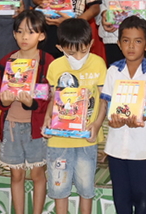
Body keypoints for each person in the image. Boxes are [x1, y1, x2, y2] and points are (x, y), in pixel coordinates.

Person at [101, 16, 146, 214]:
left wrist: (139, 116)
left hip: (143, 148)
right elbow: (107, 102)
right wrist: (112, 118)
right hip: (116, 147)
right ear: (119, 44)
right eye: (126, 40)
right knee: (121, 197)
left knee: (143, 197)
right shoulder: (113, 71)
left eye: (137, 41)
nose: (131, 46)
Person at [43, 18, 107, 214]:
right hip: (59, 139)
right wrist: (47, 119)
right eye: (71, 53)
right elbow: (53, 99)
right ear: (59, 47)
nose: (78, 57)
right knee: (59, 187)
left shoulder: (98, 64)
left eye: (83, 51)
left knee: (86, 187)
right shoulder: (55, 66)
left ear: (91, 44)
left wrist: (97, 124)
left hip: (86, 138)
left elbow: (104, 100)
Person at [0, 10, 54, 214]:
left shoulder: (47, 62)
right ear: (14, 34)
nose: (24, 37)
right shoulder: (6, 62)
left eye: (30, 32)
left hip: (36, 128)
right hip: (11, 125)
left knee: (37, 174)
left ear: (42, 35)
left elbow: (50, 97)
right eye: (19, 31)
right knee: (16, 175)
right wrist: (3, 101)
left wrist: (32, 103)